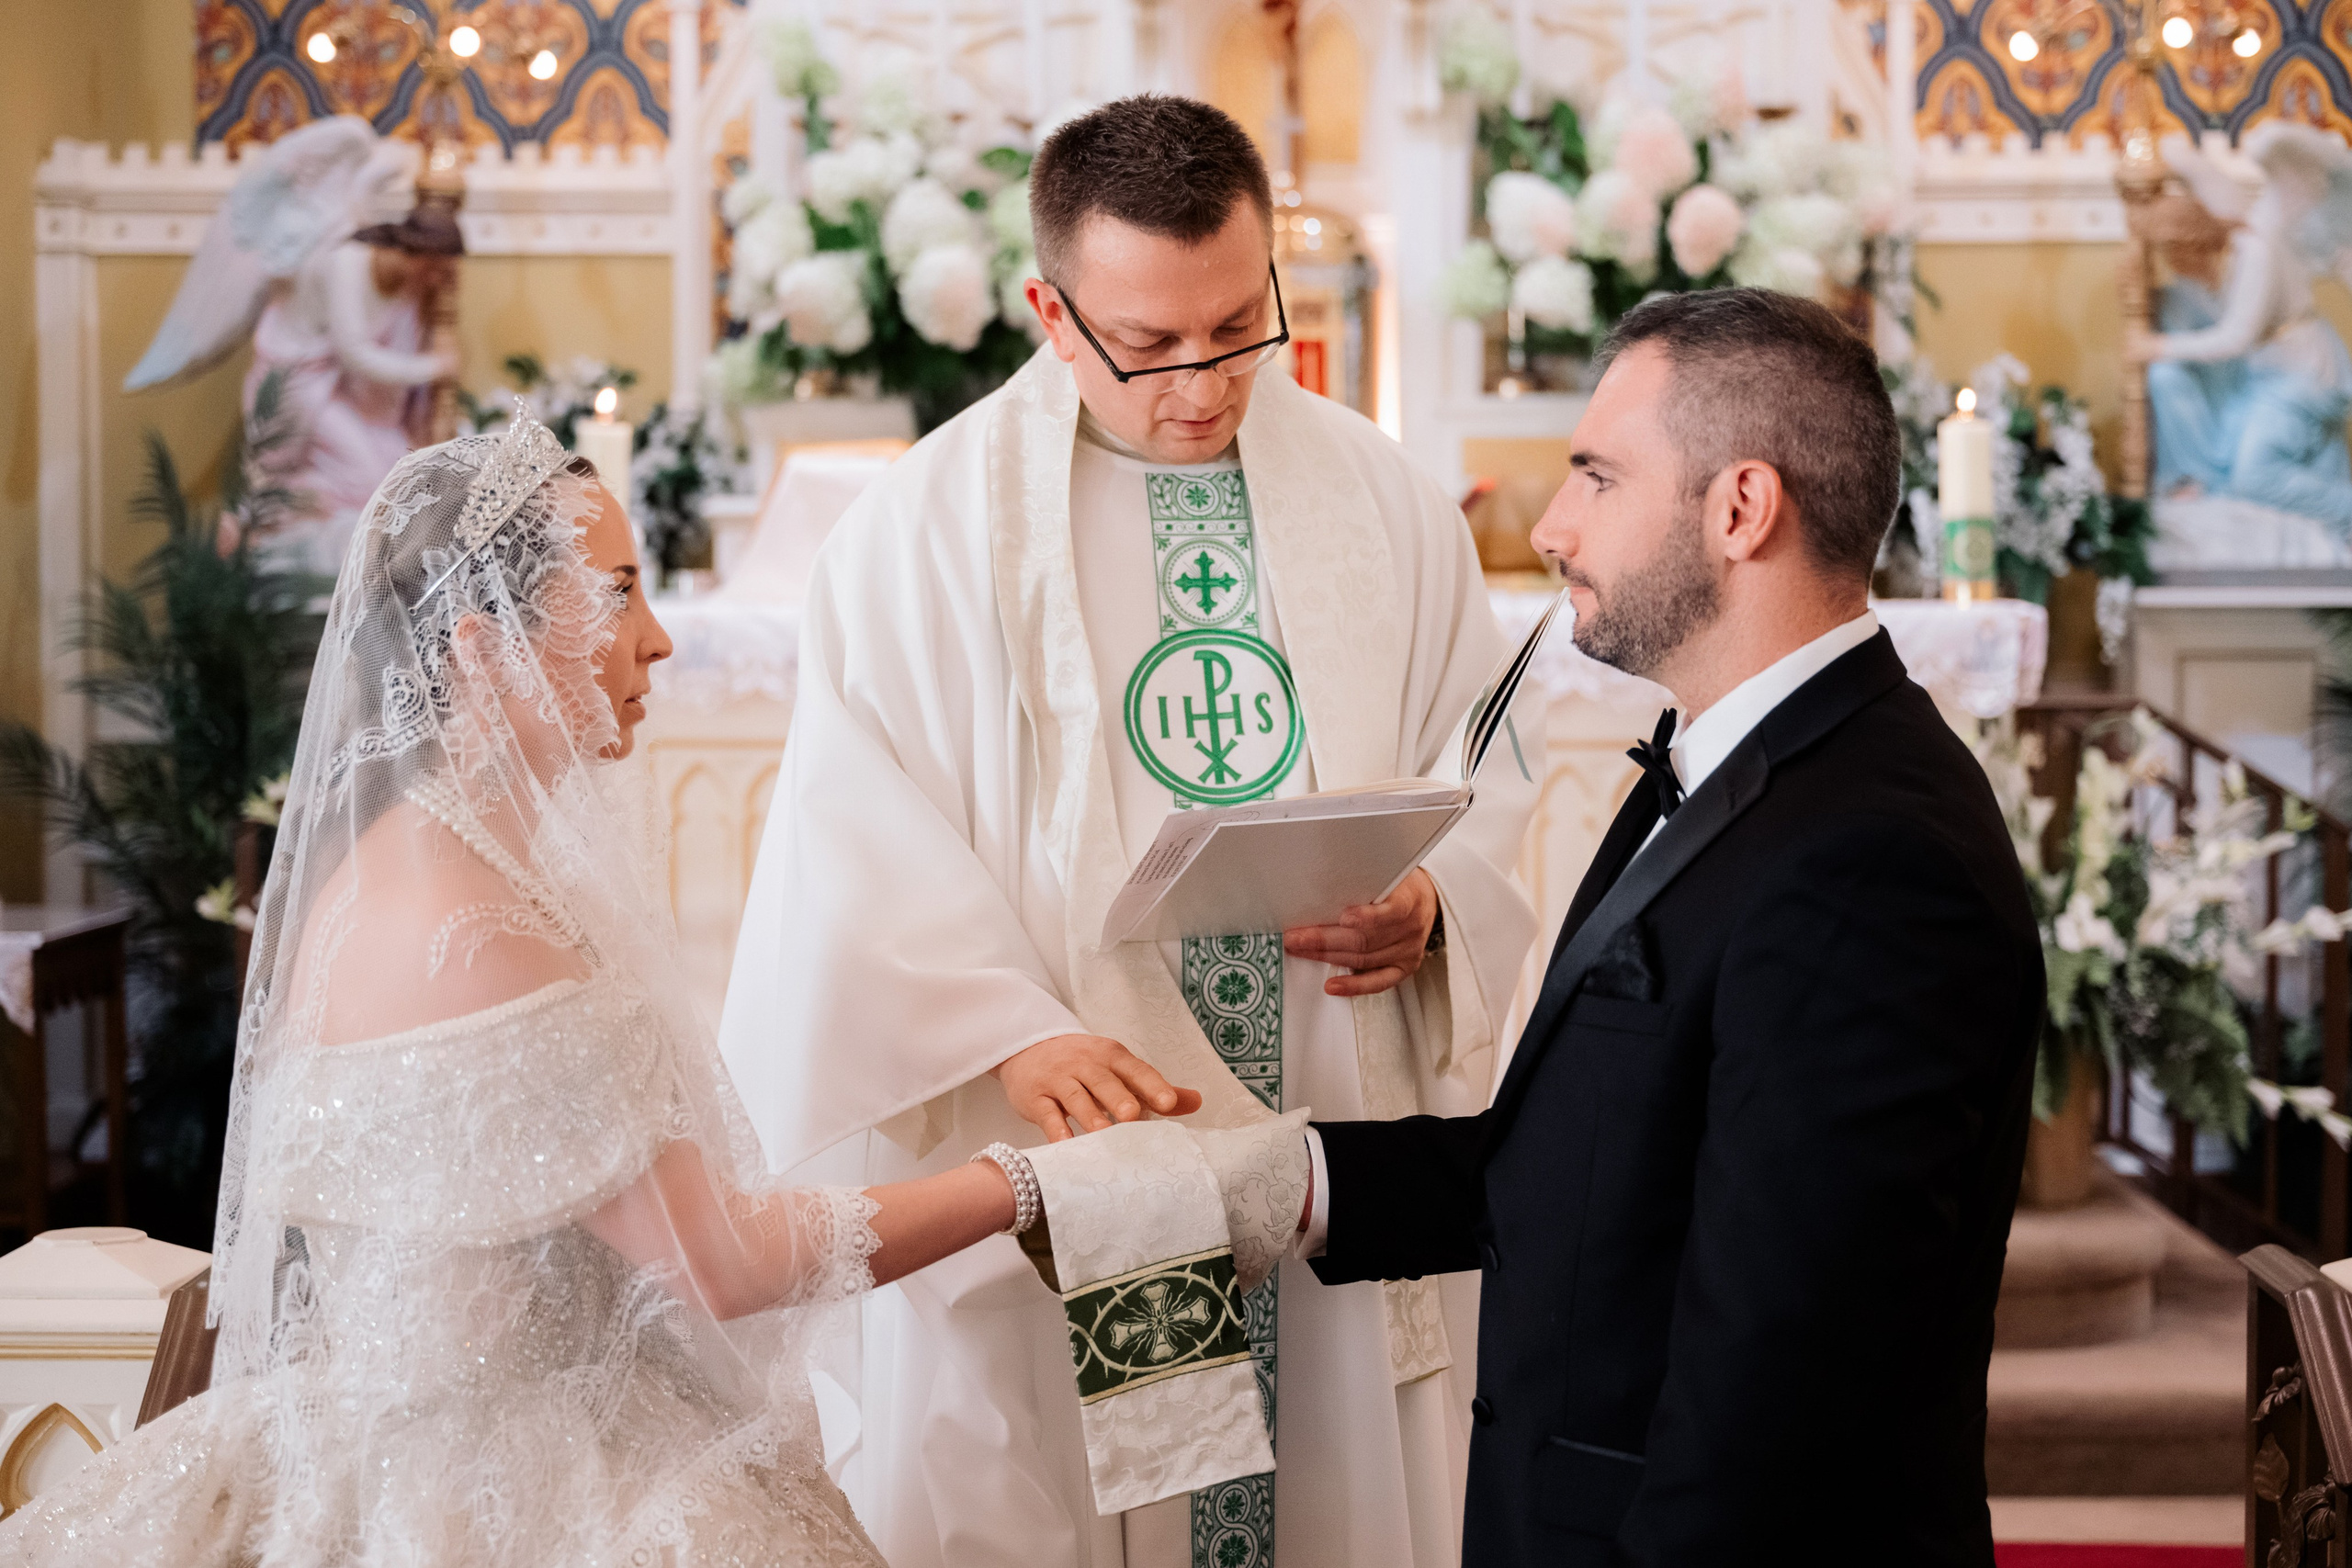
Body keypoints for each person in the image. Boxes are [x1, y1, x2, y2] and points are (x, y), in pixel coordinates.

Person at [717, 96, 1544, 1568]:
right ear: (1052, 312)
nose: (1205, 385)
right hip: (1082, 1123)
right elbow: (856, 831)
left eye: (1238, 328)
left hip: (1332, 1106)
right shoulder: (925, 533)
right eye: (1149, 344)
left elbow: (1489, 748)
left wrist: (1430, 902)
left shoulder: (1383, 497)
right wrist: (1008, 1030)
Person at [0, 415, 1048, 1565]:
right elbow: (725, 1262)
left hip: (383, 1437)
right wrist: (1017, 1185)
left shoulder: (394, 866)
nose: (656, 642)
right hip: (498, 1489)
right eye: (615, 596)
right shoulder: (478, 929)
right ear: (479, 645)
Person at [1300, 288, 2043, 1567]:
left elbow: (1778, 1391)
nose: (1553, 524)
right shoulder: (1735, 765)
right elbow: (1597, 1167)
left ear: (1741, 508)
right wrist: (1277, 1186)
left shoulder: (1871, 858)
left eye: (1597, 476)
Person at [126, 116, 460, 574]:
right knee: (365, 477)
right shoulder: (346, 259)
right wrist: (434, 368)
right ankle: (260, 532)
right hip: (295, 381)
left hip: (326, 380)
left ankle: (300, 537)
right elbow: (354, 353)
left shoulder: (364, 250)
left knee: (389, 464)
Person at [2129, 125, 2352, 534]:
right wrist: (2167, 157)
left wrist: (2157, 347)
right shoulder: (2238, 226)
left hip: (2303, 375)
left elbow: (2237, 337)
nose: (2174, 266)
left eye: (2175, 254)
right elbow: (2201, 173)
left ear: (2196, 244)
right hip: (2271, 375)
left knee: (2252, 478)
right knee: (2229, 452)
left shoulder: (2256, 249)